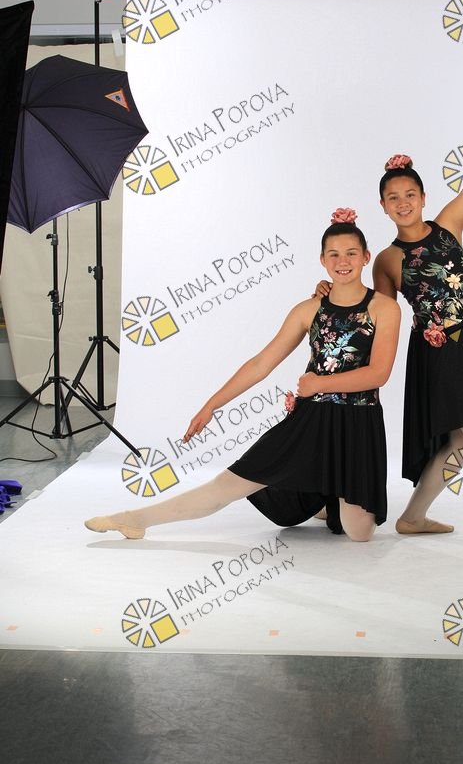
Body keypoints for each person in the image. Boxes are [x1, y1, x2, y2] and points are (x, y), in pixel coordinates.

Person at [85, 209, 400, 543]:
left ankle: (328, 495)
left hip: (358, 424)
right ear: (322, 260)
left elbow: (378, 374)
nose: (343, 261)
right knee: (227, 485)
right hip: (312, 421)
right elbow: (261, 364)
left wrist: (319, 383)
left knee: (359, 533)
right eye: (333, 254)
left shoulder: (384, 308)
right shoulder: (308, 310)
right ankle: (135, 519)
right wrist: (212, 405)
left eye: (351, 253)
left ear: (365, 257)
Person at [317, 99, 463, 554]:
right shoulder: (386, 259)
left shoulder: (449, 225)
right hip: (437, 350)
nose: (403, 203)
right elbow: (375, 310)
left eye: (410, 195)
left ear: (423, 198)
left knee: (458, 443)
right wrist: (330, 291)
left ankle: (413, 517)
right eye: (393, 198)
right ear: (383, 207)